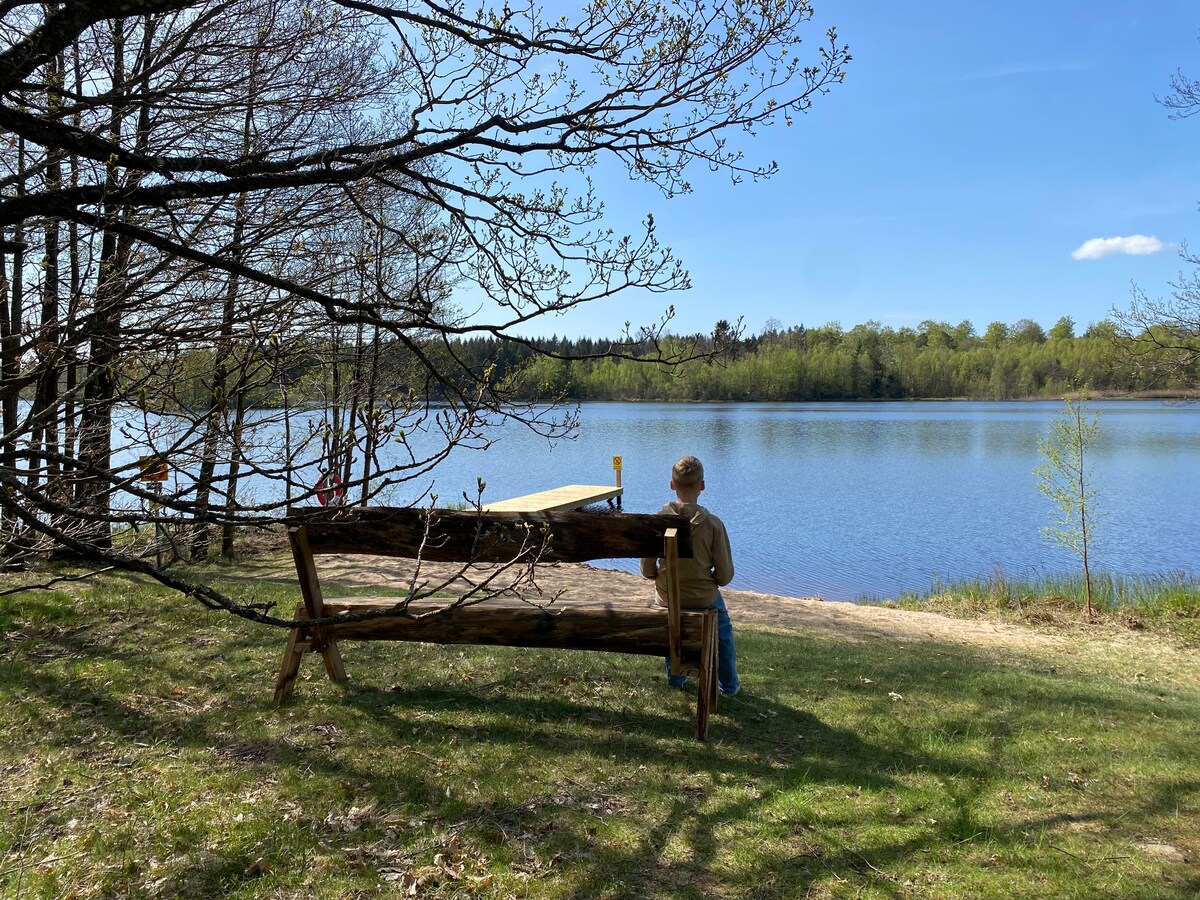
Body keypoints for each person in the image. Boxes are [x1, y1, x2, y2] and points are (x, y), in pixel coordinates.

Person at [640, 455, 740, 695]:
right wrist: (711, 581)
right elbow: (725, 576)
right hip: (703, 597)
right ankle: (729, 685)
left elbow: (646, 569)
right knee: (723, 632)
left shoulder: (657, 521)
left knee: (670, 624)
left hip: (668, 597)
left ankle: (676, 679)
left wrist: (657, 576)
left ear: (672, 485)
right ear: (702, 486)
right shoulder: (714, 525)